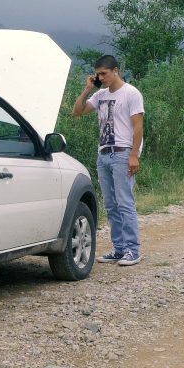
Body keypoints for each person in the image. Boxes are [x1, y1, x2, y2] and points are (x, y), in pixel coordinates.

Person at [71, 54, 145, 266]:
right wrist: (88, 89)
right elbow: (78, 111)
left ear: (115, 71)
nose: (101, 77)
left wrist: (134, 155)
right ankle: (119, 248)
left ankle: (133, 249)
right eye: (98, 74)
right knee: (111, 205)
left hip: (122, 153)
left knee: (125, 203)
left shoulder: (131, 93)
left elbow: (138, 126)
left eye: (104, 73)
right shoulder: (101, 95)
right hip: (103, 154)